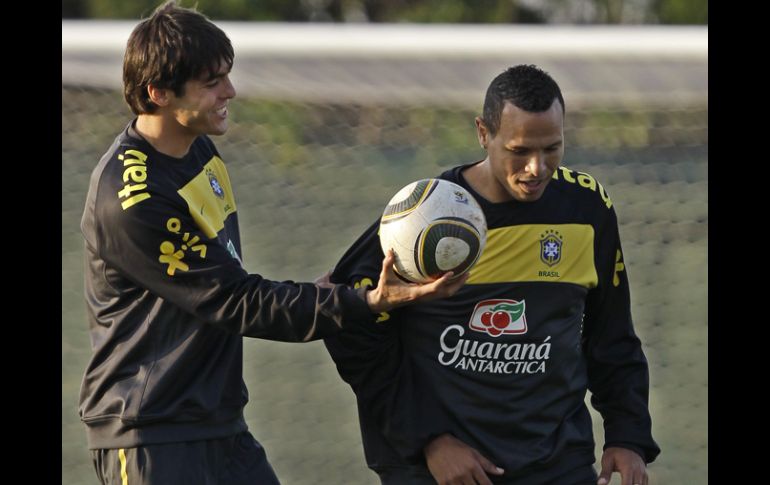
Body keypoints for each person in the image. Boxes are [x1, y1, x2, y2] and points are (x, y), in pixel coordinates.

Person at [77, 2, 466, 484]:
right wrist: (365, 301)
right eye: (212, 82)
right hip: (151, 434)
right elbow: (236, 302)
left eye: (227, 75)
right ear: (158, 92)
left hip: (218, 424)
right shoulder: (133, 199)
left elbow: (223, 280)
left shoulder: (197, 147)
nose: (230, 92)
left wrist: (317, 295)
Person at [324, 64, 660, 485]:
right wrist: (429, 440)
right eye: (520, 151)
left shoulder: (587, 209)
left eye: (551, 148)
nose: (537, 167)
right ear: (484, 133)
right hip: (441, 470)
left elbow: (610, 332)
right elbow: (349, 325)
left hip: (555, 463)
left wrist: (627, 436)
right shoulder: (426, 217)